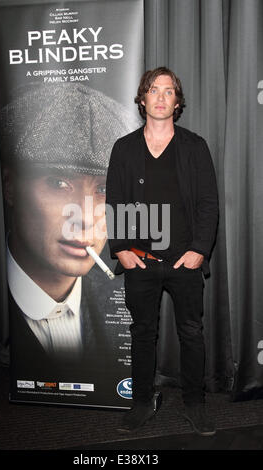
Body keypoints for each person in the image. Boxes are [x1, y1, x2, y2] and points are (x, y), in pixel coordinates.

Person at [0, 82, 140, 385]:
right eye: (58, 183)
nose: (85, 218)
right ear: (9, 186)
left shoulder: (128, 299)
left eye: (104, 189)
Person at [106, 67, 219, 434]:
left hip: (185, 260)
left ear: (177, 101)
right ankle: (140, 403)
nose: (160, 97)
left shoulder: (194, 146)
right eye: (153, 90)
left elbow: (208, 203)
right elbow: (116, 200)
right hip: (141, 262)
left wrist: (200, 250)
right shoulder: (124, 148)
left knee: (191, 332)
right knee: (142, 333)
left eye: (168, 91)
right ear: (142, 98)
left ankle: (195, 404)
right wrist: (122, 249)